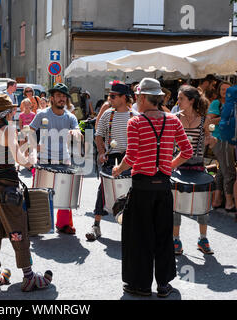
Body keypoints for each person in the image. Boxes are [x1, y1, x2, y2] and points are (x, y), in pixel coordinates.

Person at [112, 78, 193, 298]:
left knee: (139, 237)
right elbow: (187, 151)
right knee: (163, 236)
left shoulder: (135, 123)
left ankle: (140, 286)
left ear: (143, 97)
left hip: (142, 188)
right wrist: (168, 165)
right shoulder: (173, 121)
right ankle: (163, 285)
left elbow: (132, 156)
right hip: (163, 187)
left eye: (137, 96)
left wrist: (118, 169)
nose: (136, 99)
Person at [0, 93, 53, 291]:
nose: (15, 113)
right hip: (8, 189)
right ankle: (29, 276)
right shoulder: (8, 129)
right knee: (18, 231)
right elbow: (21, 160)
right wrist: (32, 155)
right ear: (8, 113)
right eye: (13, 110)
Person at [29, 83, 83, 235]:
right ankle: (36, 223)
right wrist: (34, 148)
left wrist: (76, 133)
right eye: (58, 96)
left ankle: (64, 224)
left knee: (65, 193)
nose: (62, 99)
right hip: (44, 159)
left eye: (64, 96)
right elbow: (30, 131)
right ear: (52, 98)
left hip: (63, 159)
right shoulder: (42, 114)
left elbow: (78, 131)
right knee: (39, 194)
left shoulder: (70, 117)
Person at [86, 82, 135, 241]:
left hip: (129, 158)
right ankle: (96, 225)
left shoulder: (135, 116)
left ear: (123, 98)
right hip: (111, 158)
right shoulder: (108, 114)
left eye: (113, 96)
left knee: (132, 193)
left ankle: (133, 227)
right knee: (103, 190)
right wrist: (101, 152)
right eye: (109, 96)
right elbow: (98, 135)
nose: (109, 99)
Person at [173, 85, 217, 255]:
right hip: (178, 164)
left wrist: (210, 140)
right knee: (175, 204)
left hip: (198, 165)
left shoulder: (204, 119)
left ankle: (203, 238)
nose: (178, 101)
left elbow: (208, 138)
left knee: (202, 204)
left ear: (191, 100)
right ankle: (176, 240)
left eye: (181, 98)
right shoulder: (175, 118)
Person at [207, 81, 236, 212]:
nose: (225, 92)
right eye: (223, 89)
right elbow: (209, 121)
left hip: (230, 139)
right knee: (229, 171)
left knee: (222, 170)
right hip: (220, 139)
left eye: (228, 89)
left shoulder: (234, 103)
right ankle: (229, 202)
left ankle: (217, 199)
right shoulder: (216, 103)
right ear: (219, 91)